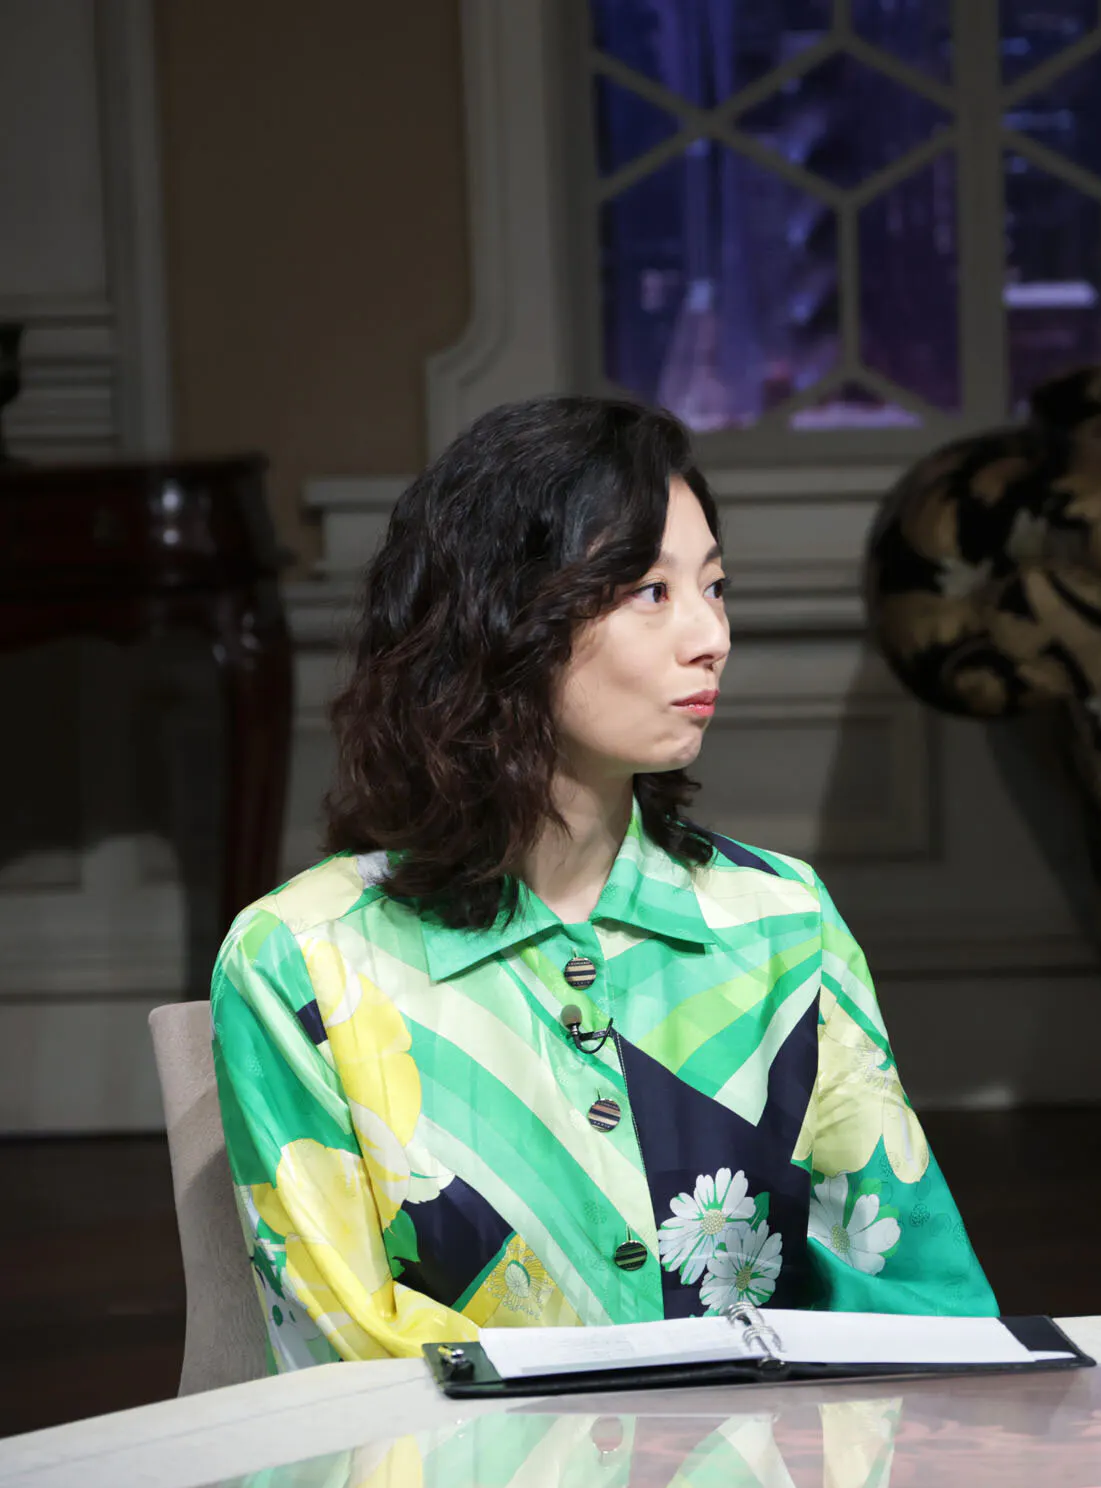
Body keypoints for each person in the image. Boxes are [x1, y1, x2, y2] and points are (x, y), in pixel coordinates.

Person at [213, 397, 995, 1368]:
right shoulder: (302, 964)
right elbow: (348, 1359)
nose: (711, 635)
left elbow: (920, 1306)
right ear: (502, 615)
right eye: (651, 592)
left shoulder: (782, 923)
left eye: (715, 586)